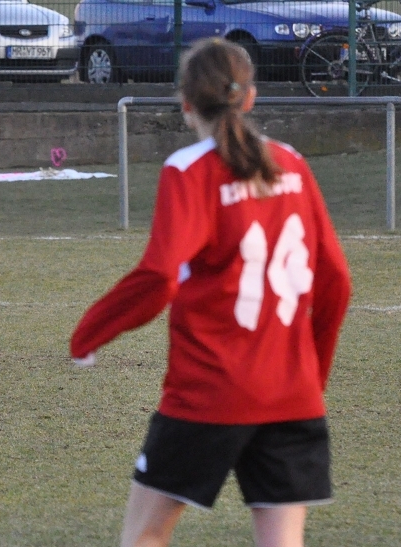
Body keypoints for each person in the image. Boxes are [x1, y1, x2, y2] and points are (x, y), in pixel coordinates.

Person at [70, 38, 351, 547]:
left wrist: (90, 332)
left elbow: (160, 274)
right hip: (291, 394)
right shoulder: (292, 163)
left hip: (209, 393)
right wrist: (312, 374)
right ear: (251, 97)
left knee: (145, 536)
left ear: (185, 102)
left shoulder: (190, 169)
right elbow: (336, 280)